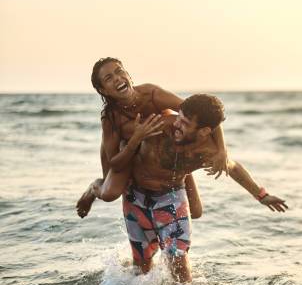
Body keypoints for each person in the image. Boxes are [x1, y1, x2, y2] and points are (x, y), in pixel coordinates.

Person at [124, 93, 288, 282]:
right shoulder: (161, 125)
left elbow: (233, 168)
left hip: (172, 196)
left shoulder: (208, 151)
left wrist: (261, 195)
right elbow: (120, 133)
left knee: (178, 262)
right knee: (141, 265)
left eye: (185, 123)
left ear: (204, 131)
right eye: (179, 117)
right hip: (135, 195)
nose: (177, 124)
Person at [75, 57, 229, 218]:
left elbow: (205, 116)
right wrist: (136, 138)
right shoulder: (110, 117)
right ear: (103, 90)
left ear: (128, 74)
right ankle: (93, 189)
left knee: (195, 212)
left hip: (164, 149)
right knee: (110, 193)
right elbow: (115, 162)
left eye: (119, 71)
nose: (117, 78)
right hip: (126, 147)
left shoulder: (153, 94)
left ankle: (178, 169)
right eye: (109, 78)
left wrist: (222, 150)